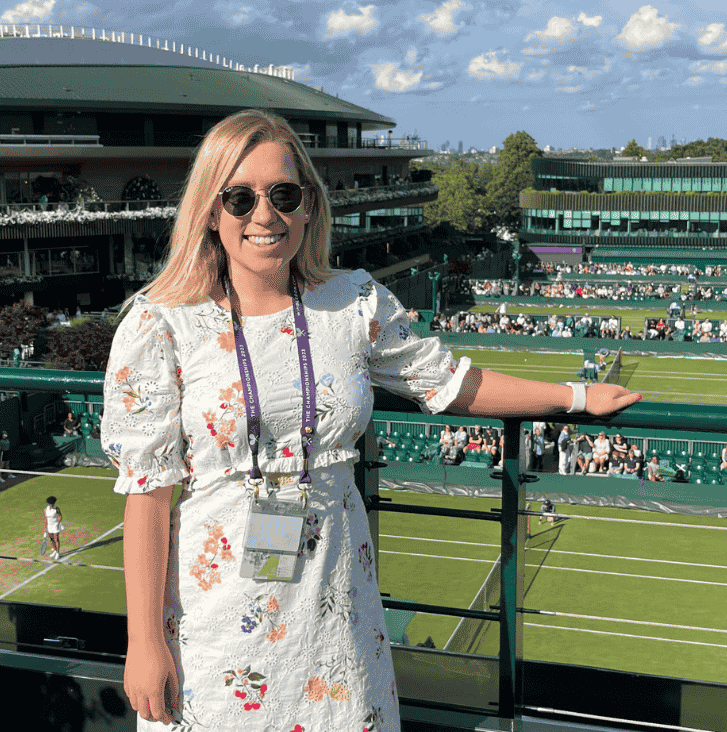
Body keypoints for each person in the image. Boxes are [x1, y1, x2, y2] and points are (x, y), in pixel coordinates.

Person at [98, 110, 642, 729]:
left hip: (334, 613)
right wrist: (144, 644)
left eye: (284, 193)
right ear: (210, 211)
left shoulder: (353, 302)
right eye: (240, 197)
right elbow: (146, 497)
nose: (265, 215)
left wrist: (573, 396)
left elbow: (451, 385)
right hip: (214, 627)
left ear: (309, 205)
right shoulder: (159, 324)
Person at [43, 495, 64, 561]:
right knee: (51, 539)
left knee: (56, 539)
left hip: (55, 525)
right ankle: (55, 550)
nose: (51, 505)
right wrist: (45, 529)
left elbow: (60, 516)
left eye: (52, 503)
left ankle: (58, 552)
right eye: (50, 504)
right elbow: (45, 519)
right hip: (49, 526)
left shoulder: (57, 509)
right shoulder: (46, 510)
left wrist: (58, 522)